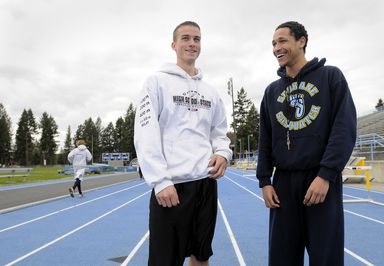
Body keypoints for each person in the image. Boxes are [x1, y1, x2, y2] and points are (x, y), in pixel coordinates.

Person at [256, 21, 356, 266]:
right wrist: (264, 181)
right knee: (282, 257)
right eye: (273, 43)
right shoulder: (271, 92)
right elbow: (265, 138)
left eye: (282, 41)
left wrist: (326, 174)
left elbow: (344, 129)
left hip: (320, 180)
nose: (276, 48)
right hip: (283, 184)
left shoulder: (330, 77)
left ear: (301, 41)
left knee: (325, 257)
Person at [134, 21, 232, 266]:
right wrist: (160, 180)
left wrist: (222, 153)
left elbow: (219, 131)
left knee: (201, 254)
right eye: (186, 38)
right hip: (173, 186)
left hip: (205, 183)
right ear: (174, 45)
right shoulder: (156, 82)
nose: (192, 44)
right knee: (164, 260)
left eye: (197, 39)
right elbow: (145, 132)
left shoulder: (210, 91)